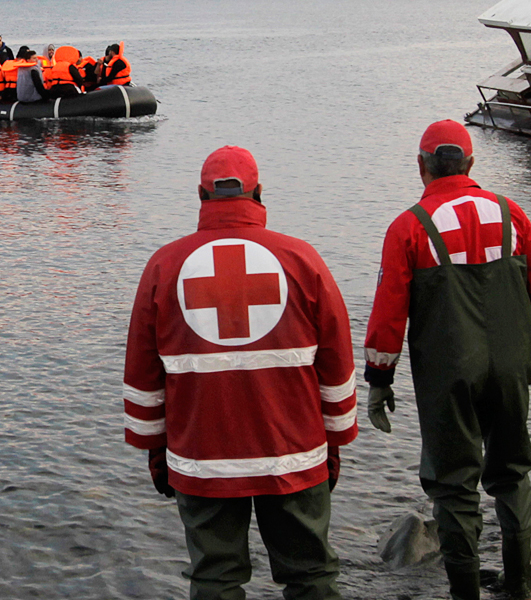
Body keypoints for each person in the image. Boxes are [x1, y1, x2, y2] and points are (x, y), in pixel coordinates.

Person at [123, 146, 358, 600]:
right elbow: (335, 360)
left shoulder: (163, 266)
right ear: (259, 193)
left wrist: (155, 450)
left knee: (216, 578)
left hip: (202, 456)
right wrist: (335, 440)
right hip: (293, 452)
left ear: (200, 195)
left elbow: (143, 371)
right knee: (311, 575)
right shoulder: (302, 259)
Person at [364, 120, 531, 600]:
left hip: (448, 373)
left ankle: (465, 594)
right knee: (513, 473)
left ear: (422, 167)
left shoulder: (408, 227)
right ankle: (522, 588)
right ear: (472, 165)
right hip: (512, 366)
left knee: (454, 485)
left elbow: (388, 314)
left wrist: (380, 380)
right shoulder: (510, 213)